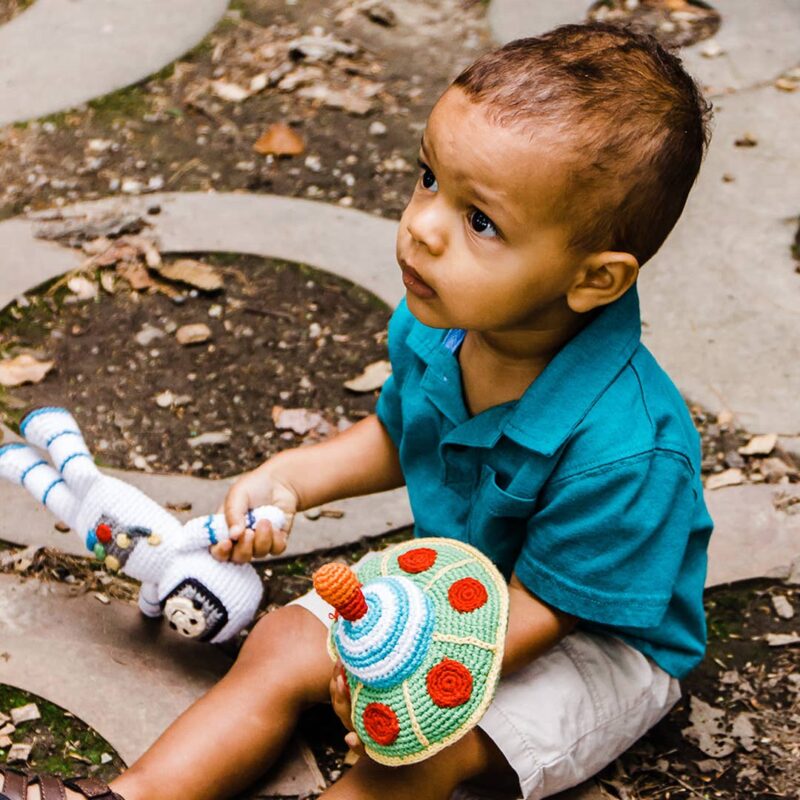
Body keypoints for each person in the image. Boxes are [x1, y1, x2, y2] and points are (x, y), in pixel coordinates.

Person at [0, 21, 714, 800]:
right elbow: (394, 432)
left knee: (419, 755)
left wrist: (398, 682)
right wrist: (292, 478)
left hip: (589, 638)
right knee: (281, 642)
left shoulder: (626, 448)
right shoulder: (443, 326)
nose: (423, 226)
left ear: (594, 280)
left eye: (481, 222)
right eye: (429, 178)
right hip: (451, 590)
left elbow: (543, 611)